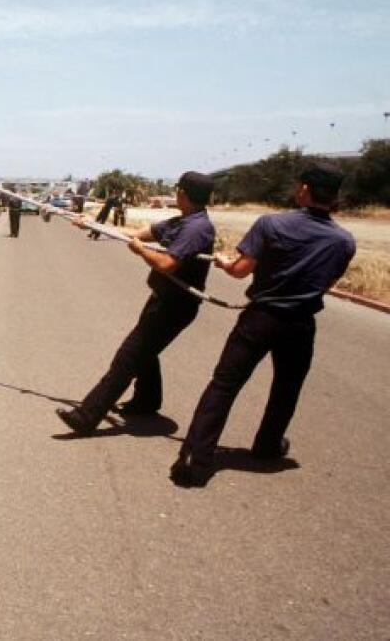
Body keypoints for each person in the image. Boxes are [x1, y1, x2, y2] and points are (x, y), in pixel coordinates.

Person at [170, 163, 356, 488]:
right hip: (300, 323)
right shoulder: (344, 241)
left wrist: (226, 264)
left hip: (261, 318)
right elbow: (325, 283)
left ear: (304, 190)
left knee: (224, 385)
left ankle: (194, 458)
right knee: (286, 388)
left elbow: (241, 270)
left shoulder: (271, 224)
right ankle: (267, 445)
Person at [56, 171, 216, 435]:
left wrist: (141, 251)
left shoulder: (196, 229)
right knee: (145, 352)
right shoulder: (182, 221)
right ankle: (146, 401)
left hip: (175, 307)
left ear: (183, 194)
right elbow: (136, 233)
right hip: (163, 299)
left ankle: (86, 417)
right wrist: (93, 224)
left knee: (128, 357)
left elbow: (167, 264)